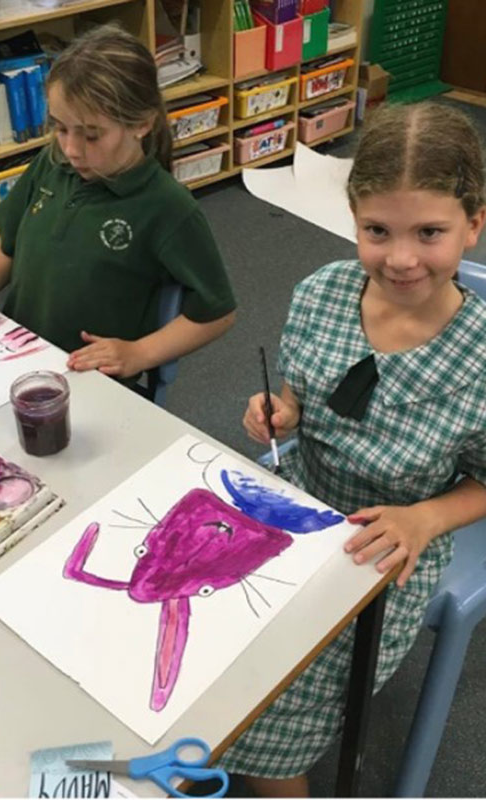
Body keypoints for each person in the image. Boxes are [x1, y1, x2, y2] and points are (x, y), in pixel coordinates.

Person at [220, 102, 486, 797]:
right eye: (377, 231)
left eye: (430, 232)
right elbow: (302, 394)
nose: (400, 259)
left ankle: (269, 766)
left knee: (276, 701)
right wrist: (280, 411)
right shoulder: (319, 294)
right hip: (297, 499)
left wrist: (423, 520)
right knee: (204, 631)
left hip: (390, 543)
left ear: (474, 225)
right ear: (354, 220)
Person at [0, 25, 236, 395]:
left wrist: (139, 353)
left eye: (91, 135)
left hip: (88, 380)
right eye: (60, 128)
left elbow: (218, 313)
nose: (71, 149)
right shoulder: (51, 164)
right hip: (14, 354)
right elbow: (8, 242)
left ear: (142, 124)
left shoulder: (168, 209)